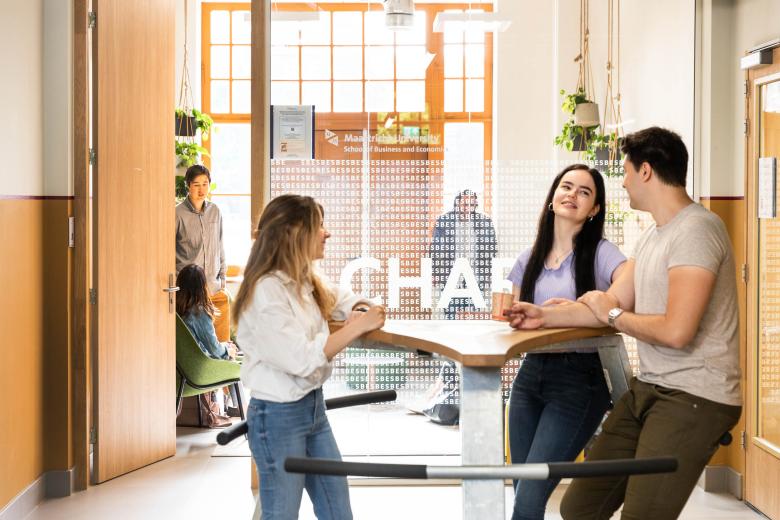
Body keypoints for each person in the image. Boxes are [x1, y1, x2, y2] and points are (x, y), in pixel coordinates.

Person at [507, 127, 742, 520]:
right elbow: (607, 303)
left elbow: (675, 331)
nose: (624, 181)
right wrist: (543, 315)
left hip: (694, 395)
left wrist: (614, 316)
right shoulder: (653, 235)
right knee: (579, 507)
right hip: (650, 386)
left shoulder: (697, 230)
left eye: (627, 172)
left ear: (646, 171)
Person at [234, 194, 386, 519]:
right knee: (281, 514)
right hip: (278, 417)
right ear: (294, 233)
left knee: (337, 512)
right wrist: (355, 328)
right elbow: (301, 360)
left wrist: (359, 310)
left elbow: (345, 300)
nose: (327, 233)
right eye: (320, 226)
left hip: (313, 411)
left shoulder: (304, 280)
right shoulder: (266, 291)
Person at [506, 164, 626, 520]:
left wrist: (582, 307)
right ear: (552, 197)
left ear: (595, 210)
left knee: (528, 498)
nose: (572, 195)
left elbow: (626, 294)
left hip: (580, 380)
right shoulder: (527, 260)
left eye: (584, 192)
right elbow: (518, 323)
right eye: (566, 186)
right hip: (530, 376)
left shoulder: (603, 253)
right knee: (523, 491)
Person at [419, 190, 498, 425]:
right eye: (465, 202)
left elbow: (492, 250)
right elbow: (435, 250)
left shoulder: (484, 222)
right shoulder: (445, 220)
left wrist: (489, 276)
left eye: (472, 202)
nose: (468, 205)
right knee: (453, 325)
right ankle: (451, 378)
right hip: (451, 281)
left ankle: (469, 376)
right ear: (457, 203)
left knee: (473, 326)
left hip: (475, 281)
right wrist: (436, 275)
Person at [175, 164, 230, 341]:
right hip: (189, 289)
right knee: (197, 337)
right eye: (197, 184)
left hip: (213, 285)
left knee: (222, 327)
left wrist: (222, 277)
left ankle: (222, 360)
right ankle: (204, 362)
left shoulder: (215, 211)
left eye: (205, 184)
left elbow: (220, 244)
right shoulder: (177, 214)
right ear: (188, 186)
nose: (201, 189)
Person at [176, 264, 237, 361]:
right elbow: (214, 350)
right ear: (202, 286)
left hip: (187, 362)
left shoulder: (176, 309)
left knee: (228, 346)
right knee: (235, 356)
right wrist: (228, 351)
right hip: (202, 364)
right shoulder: (199, 313)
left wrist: (225, 346)